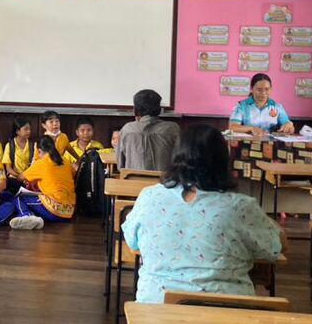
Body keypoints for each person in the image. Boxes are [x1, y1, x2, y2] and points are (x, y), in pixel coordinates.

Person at [122, 124, 285, 303]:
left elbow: (132, 241)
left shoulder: (149, 197)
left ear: (176, 157)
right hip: (226, 312)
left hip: (155, 310)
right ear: (223, 160)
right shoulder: (240, 207)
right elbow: (277, 247)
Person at [0, 135, 75, 230]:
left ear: (39, 151)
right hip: (69, 211)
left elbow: (20, 178)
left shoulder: (41, 163)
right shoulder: (65, 161)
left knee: (19, 198)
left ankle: (27, 216)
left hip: (54, 210)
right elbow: (72, 173)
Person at [117, 89, 179, 171]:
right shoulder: (173, 129)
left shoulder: (127, 130)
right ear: (160, 110)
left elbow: (120, 166)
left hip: (134, 179)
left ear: (135, 110)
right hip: (165, 179)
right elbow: (181, 161)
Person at [228, 73, 295, 136]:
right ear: (252, 89)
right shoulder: (241, 106)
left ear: (271, 89)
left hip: (270, 143)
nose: (263, 93)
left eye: (267, 89)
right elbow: (232, 127)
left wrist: (289, 126)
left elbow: (290, 130)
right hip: (247, 142)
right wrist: (251, 128)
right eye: (259, 89)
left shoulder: (277, 107)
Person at [1, 116, 35, 192]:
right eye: (26, 129)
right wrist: (19, 176)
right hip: (14, 177)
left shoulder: (33, 145)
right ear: (17, 131)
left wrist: (26, 177)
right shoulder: (10, 145)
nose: (29, 131)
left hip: (29, 178)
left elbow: (34, 165)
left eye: (29, 129)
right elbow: (8, 168)